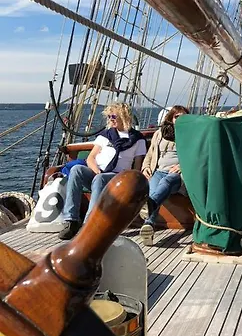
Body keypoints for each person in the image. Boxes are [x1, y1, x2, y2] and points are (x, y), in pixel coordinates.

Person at [58, 102, 147, 240]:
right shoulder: (106, 135)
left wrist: (133, 183)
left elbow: (137, 165)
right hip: (98, 173)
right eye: (109, 116)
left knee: (100, 179)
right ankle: (71, 220)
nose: (111, 119)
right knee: (76, 170)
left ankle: (89, 224)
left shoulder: (137, 139)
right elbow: (91, 158)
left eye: (113, 116)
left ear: (124, 116)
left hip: (118, 177)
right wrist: (97, 171)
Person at [139, 105, 189, 246]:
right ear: (171, 118)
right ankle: (148, 225)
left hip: (178, 175)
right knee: (153, 189)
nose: (180, 119)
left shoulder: (190, 135)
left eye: (184, 117)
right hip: (158, 171)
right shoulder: (159, 134)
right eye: (177, 116)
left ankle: (150, 205)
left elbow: (195, 157)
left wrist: (181, 167)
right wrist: (145, 168)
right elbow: (150, 154)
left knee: (166, 182)